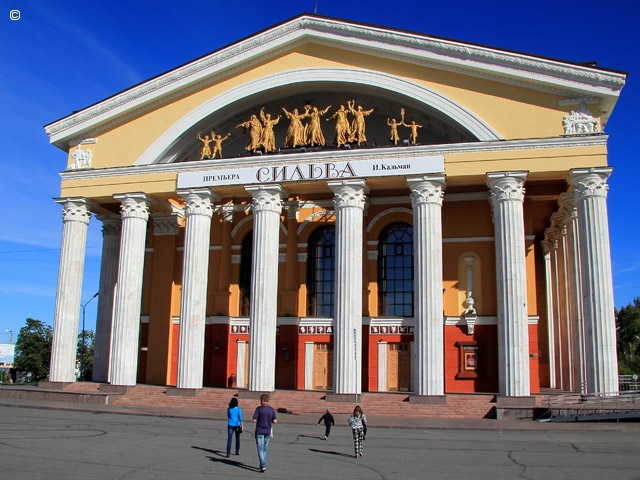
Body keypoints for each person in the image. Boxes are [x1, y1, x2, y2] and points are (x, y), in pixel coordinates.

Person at [252, 393, 278, 473]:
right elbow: (275, 421)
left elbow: (254, 420)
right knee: (265, 448)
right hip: (268, 431)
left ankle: (263, 464)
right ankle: (262, 464)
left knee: (260, 448)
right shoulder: (271, 410)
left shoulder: (258, 409)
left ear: (262, 400)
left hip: (259, 430)